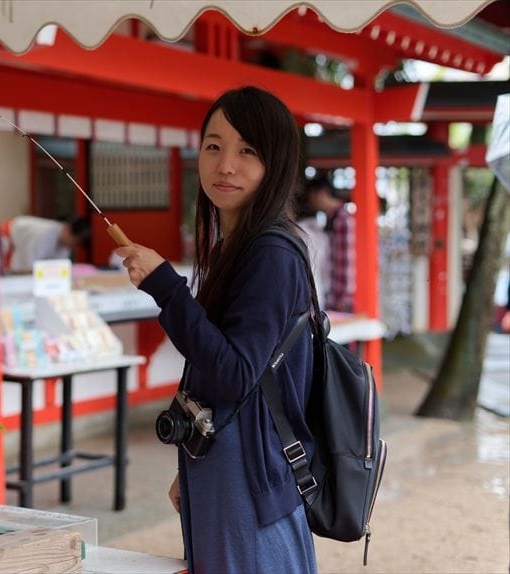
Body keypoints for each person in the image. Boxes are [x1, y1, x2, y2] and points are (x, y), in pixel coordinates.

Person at [116, 86, 317, 573]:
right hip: (229, 470)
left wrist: (167, 288)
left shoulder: (270, 253)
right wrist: (194, 457)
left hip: (249, 482)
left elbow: (234, 374)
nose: (226, 164)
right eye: (214, 146)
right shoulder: (238, 247)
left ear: (277, 163)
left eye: (247, 150)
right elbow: (223, 370)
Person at [303, 176, 356, 313]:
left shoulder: (342, 219)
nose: (310, 202)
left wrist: (342, 297)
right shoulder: (333, 218)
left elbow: (346, 261)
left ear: (321, 193)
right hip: (336, 295)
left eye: (311, 197)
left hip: (342, 299)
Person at [0, 215, 90, 274]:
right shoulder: (45, 235)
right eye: (74, 242)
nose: (73, 246)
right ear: (68, 229)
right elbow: (26, 267)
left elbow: (58, 268)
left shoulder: (64, 245)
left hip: (15, 245)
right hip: (6, 235)